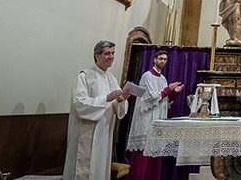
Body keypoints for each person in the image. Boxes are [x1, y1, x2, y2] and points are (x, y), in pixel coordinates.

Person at [63, 41, 130, 180]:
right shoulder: (84, 77)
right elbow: (80, 104)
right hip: (87, 132)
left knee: (100, 167)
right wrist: (106, 98)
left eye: (113, 53)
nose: (111, 57)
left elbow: (118, 109)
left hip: (104, 133)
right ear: (96, 56)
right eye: (107, 53)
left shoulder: (111, 79)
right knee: (84, 169)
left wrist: (121, 100)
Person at [126, 50, 183, 180]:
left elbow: (164, 101)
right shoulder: (147, 76)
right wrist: (168, 89)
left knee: (155, 158)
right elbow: (151, 98)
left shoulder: (163, 78)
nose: (163, 61)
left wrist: (175, 92)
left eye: (165, 59)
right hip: (146, 120)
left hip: (158, 120)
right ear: (154, 60)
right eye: (161, 58)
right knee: (143, 157)